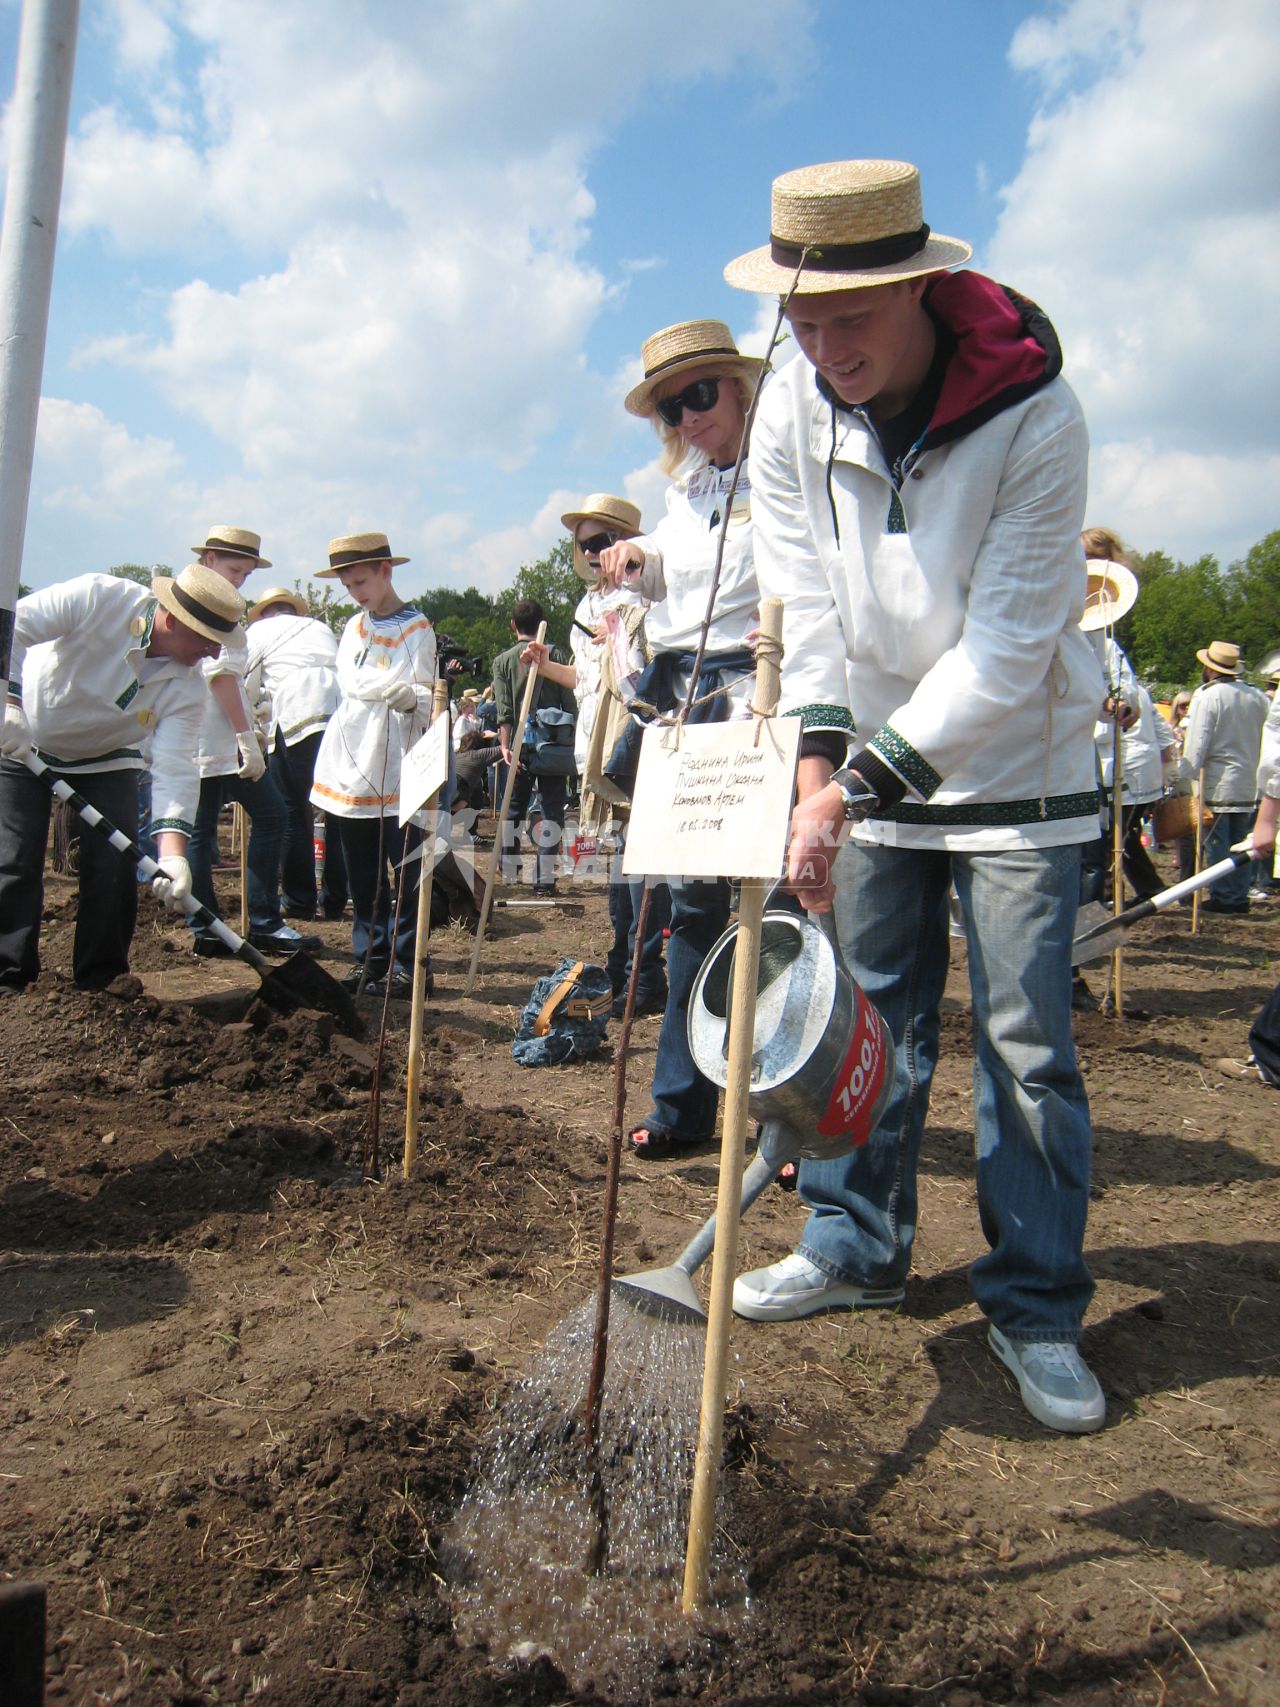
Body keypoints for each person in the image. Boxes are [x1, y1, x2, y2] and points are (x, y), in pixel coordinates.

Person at [722, 158, 1106, 1433]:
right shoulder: (789, 396)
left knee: (1024, 1045)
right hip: (871, 761)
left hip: (1015, 767)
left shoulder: (1036, 414)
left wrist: (850, 788)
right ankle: (852, 1242)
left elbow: (1005, 652)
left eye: (852, 321)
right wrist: (818, 773)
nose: (825, 349)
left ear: (927, 287)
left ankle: (1035, 1306)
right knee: (863, 1013)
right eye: (803, 320)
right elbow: (805, 608)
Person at [598, 318, 764, 1156]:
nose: (688, 417)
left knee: (780, 912)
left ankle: (791, 1117)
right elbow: (674, 562)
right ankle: (683, 1106)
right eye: (672, 407)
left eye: (700, 394)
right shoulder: (689, 486)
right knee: (691, 906)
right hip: (685, 693)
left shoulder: (788, 469)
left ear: (739, 385)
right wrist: (640, 557)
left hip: (762, 696)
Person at [1, 564, 244, 992]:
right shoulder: (98, 597)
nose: (211, 653)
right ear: (173, 620)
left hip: (110, 758)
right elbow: (13, 627)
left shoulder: (187, 688)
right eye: (207, 640)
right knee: (15, 860)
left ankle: (102, 979)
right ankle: (9, 978)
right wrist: (9, 701)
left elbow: (174, 767)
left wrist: (173, 855)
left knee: (114, 868)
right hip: (24, 739)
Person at [310, 533, 437, 997]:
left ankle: (409, 963)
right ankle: (368, 958)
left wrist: (412, 698)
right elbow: (349, 683)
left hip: (396, 760)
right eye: (348, 584)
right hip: (351, 755)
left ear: (386, 571)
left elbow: (428, 697)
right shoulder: (352, 628)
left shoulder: (418, 628)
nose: (356, 592)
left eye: (361, 581)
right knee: (362, 874)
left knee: (404, 869)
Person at [185, 526, 317, 958]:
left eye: (245, 572)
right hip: (206, 737)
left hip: (213, 737)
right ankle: (231, 925)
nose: (239, 579)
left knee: (234, 823)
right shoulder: (208, 611)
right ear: (209, 562)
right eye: (233, 569)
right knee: (242, 821)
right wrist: (246, 736)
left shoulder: (224, 612)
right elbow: (220, 677)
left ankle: (234, 925)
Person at [561, 492, 669, 1017]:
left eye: (601, 542)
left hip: (639, 739)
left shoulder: (644, 594)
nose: (590, 554)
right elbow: (585, 681)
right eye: (584, 545)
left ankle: (644, 972)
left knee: (642, 861)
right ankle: (626, 960)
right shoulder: (587, 606)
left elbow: (645, 677)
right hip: (598, 740)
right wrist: (545, 665)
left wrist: (620, 636)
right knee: (620, 863)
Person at [244, 585, 347, 923]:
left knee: (291, 808)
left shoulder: (257, 632)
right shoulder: (318, 628)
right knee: (337, 808)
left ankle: (300, 899)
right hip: (339, 710)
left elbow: (245, 685)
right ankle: (335, 898)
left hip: (295, 711)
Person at [491, 598, 576, 897]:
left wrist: (504, 745)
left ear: (513, 625)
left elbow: (504, 711)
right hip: (553, 745)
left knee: (513, 809)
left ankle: (510, 870)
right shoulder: (557, 655)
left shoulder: (502, 662)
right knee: (552, 811)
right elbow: (570, 703)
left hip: (519, 745)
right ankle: (544, 879)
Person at [1181, 640, 1269, 914]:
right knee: (1242, 842)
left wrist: (1185, 777)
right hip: (1250, 781)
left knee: (1218, 843)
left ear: (1209, 669)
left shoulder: (1208, 696)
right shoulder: (1257, 697)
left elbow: (1197, 742)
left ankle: (1224, 896)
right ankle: (1239, 894)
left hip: (1219, 781)